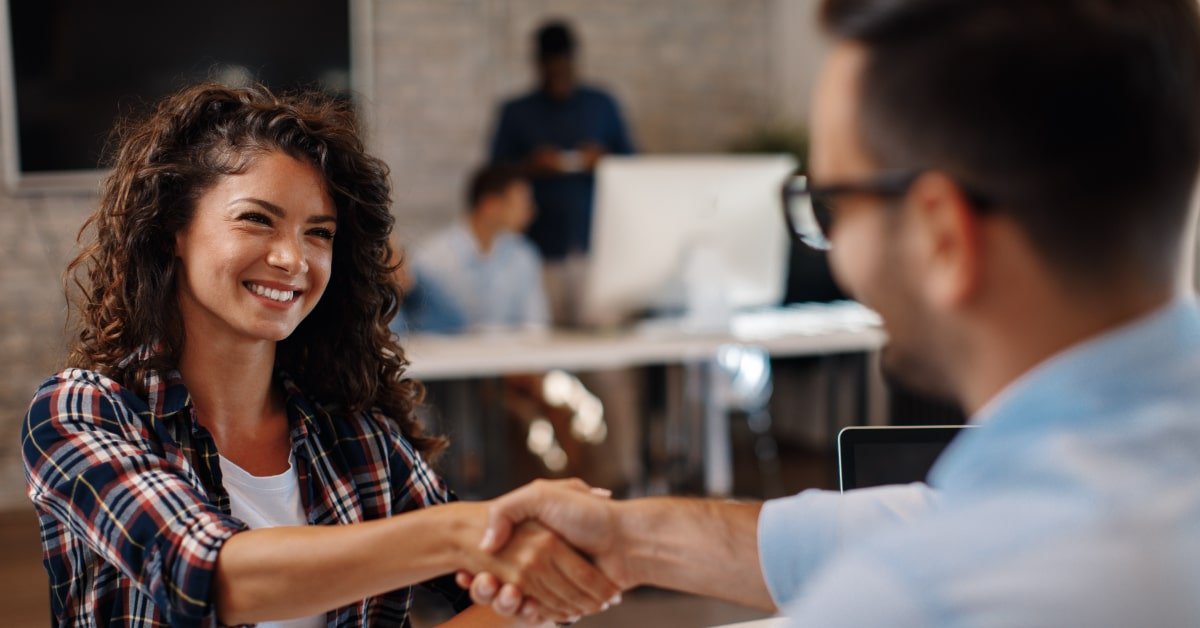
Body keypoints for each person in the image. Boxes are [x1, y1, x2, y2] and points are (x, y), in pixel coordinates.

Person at [461, 0, 1200, 625]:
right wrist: (628, 538)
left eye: (831, 203)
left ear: (942, 236)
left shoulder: (918, 599)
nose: (831, 243)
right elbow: (925, 518)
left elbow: (932, 551)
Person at [20, 83, 619, 627]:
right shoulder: (82, 413)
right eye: (257, 220)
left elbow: (489, 595)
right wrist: (463, 533)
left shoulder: (356, 435)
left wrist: (560, 570)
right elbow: (203, 575)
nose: (294, 259)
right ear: (174, 231)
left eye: (319, 233)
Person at [488, 19, 635, 325]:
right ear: (538, 64)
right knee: (544, 344)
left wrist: (604, 159)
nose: (558, 74)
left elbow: (634, 164)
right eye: (550, 67)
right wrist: (532, 166)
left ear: (573, 61)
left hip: (595, 247)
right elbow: (492, 175)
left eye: (563, 66)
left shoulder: (601, 104)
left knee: (604, 354)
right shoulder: (517, 112)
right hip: (538, 250)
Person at [408, 164, 548, 333]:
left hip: (510, 356)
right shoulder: (431, 259)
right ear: (490, 205)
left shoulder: (524, 256)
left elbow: (535, 326)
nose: (530, 213)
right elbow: (420, 329)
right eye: (522, 204)